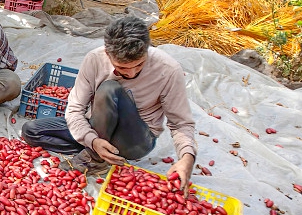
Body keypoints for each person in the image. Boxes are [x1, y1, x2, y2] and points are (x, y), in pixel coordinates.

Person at [20, 14, 197, 188]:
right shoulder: (95, 59)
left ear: (147, 50)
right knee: (31, 131)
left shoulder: (168, 70)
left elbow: (181, 123)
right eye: (122, 68)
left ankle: (95, 158)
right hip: (98, 126)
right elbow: (74, 108)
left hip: (135, 140)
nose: (132, 73)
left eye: (139, 65)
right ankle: (100, 150)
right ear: (107, 53)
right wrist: (92, 140)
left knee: (109, 89)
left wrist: (187, 157)